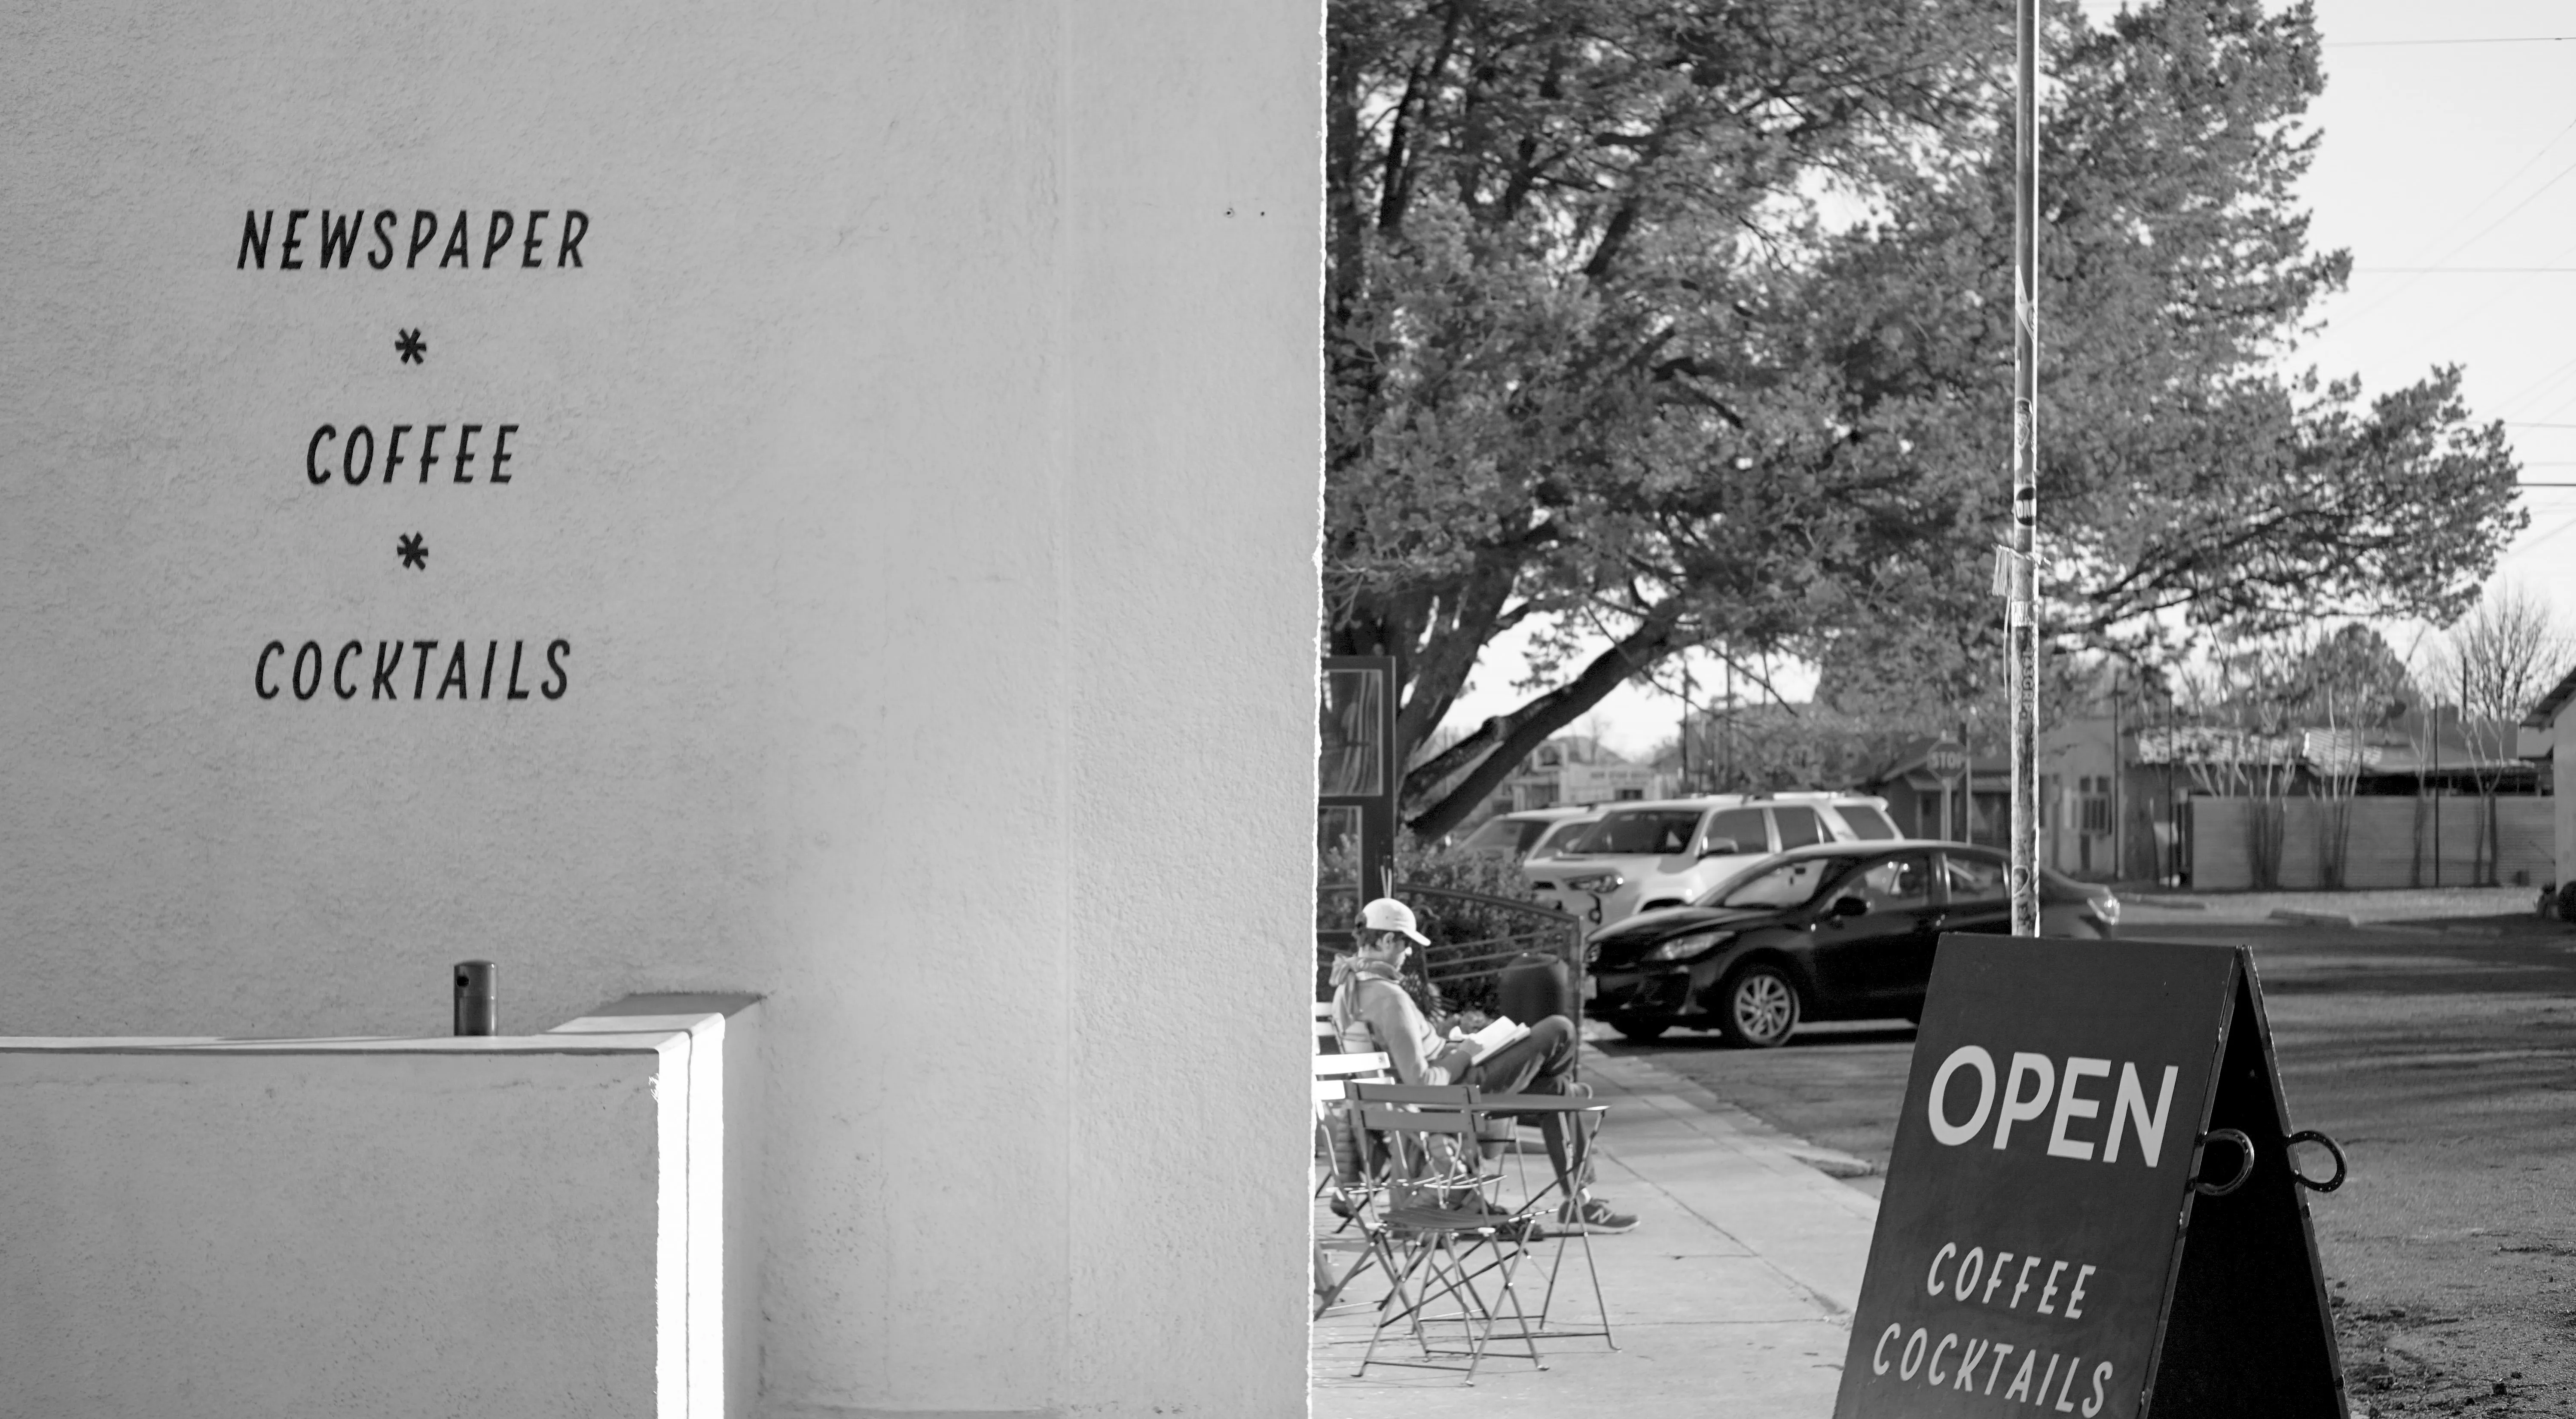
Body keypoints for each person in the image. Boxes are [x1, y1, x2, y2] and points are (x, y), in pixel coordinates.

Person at [1329, 895, 1636, 1234]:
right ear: (1387, 940)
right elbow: (1422, 1081)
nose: (1409, 954)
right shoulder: (1389, 998)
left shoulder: (1350, 988)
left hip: (1431, 1093)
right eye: (1406, 945)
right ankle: (1573, 1125)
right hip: (1450, 1096)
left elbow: (1411, 1063)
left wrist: (1456, 1046)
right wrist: (1466, 1053)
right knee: (1559, 1029)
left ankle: (1579, 1192)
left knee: (1557, 1090)